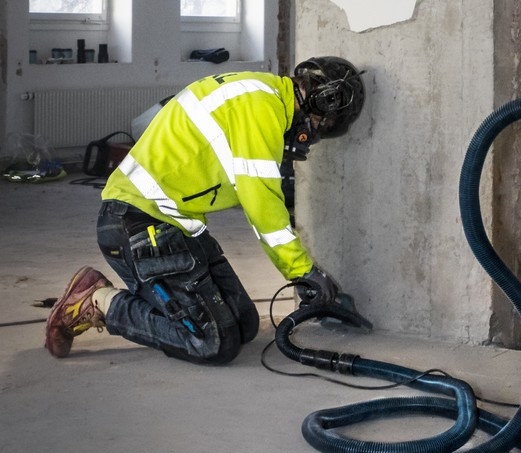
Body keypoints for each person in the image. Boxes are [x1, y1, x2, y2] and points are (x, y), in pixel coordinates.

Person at [45, 57, 365, 364]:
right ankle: (97, 298)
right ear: (321, 103)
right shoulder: (261, 109)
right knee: (214, 343)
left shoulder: (260, 94)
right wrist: (304, 272)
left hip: (174, 225)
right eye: (323, 126)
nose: (314, 137)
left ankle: (163, 303)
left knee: (244, 324)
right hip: (136, 224)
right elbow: (263, 205)